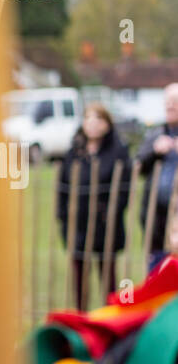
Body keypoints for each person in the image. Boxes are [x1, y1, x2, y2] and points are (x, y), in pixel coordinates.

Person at [56, 103, 131, 310]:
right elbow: (62, 187)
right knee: (79, 278)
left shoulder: (118, 152)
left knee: (107, 276)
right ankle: (82, 318)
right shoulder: (74, 152)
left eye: (98, 119)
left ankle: (110, 318)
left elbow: (124, 189)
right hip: (77, 224)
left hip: (105, 226)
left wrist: (109, 212)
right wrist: (63, 216)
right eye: (88, 118)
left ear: (107, 124)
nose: (92, 123)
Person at [137, 82, 178, 271]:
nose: (170, 105)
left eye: (175, 101)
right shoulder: (155, 134)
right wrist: (154, 151)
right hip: (156, 214)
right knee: (157, 267)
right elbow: (138, 167)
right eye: (167, 101)